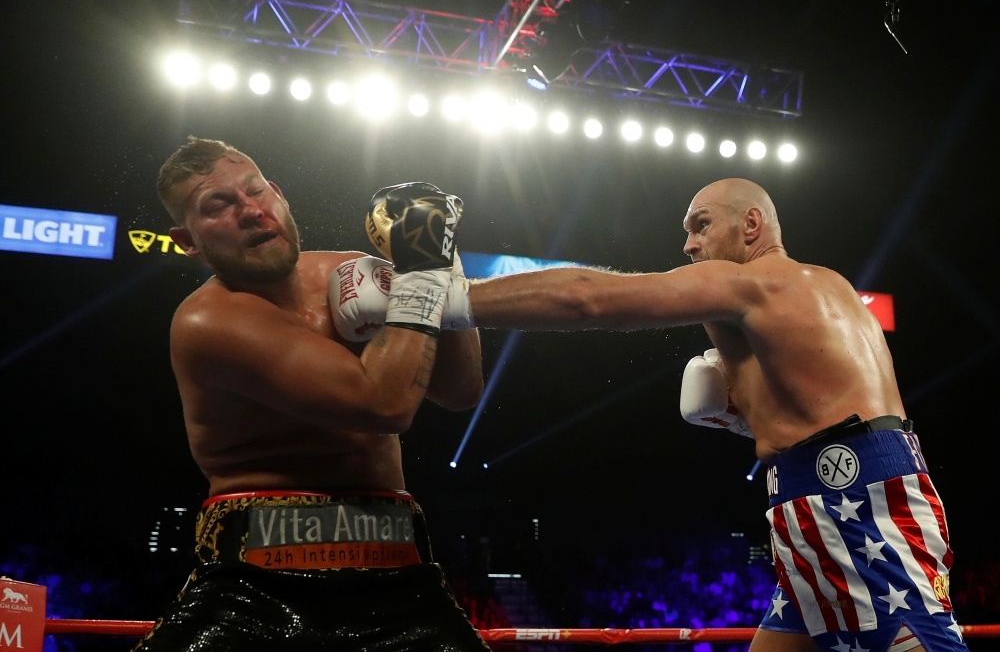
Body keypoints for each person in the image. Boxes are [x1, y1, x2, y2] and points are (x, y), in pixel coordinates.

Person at [337, 178, 962, 652]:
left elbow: (591, 300)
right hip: (820, 494)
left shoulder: (755, 284)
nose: (687, 243)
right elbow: (840, 406)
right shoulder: (822, 287)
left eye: (700, 225)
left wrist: (434, 295)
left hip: (850, 500)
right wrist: (749, 416)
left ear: (751, 224)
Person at [136, 137, 488, 652]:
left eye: (256, 191)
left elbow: (460, 390)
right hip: (251, 589)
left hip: (398, 578)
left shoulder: (351, 272)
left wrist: (441, 260)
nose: (251, 211)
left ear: (279, 195)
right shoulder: (206, 321)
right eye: (219, 205)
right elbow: (383, 406)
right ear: (187, 240)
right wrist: (422, 277)